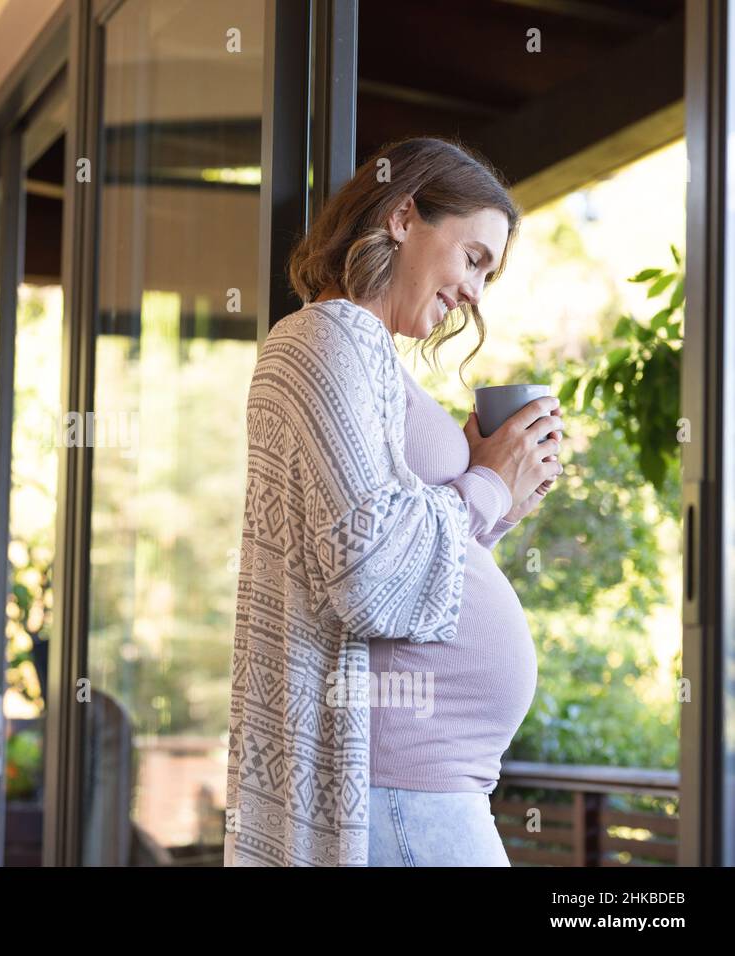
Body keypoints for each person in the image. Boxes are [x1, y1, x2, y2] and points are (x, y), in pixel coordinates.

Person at [224, 136, 564, 866]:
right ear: (404, 215)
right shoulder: (327, 335)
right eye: (474, 258)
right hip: (404, 792)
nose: (476, 292)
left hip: (423, 793)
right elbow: (368, 572)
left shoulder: (365, 353)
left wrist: (498, 501)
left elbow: (411, 575)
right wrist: (485, 484)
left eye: (488, 275)